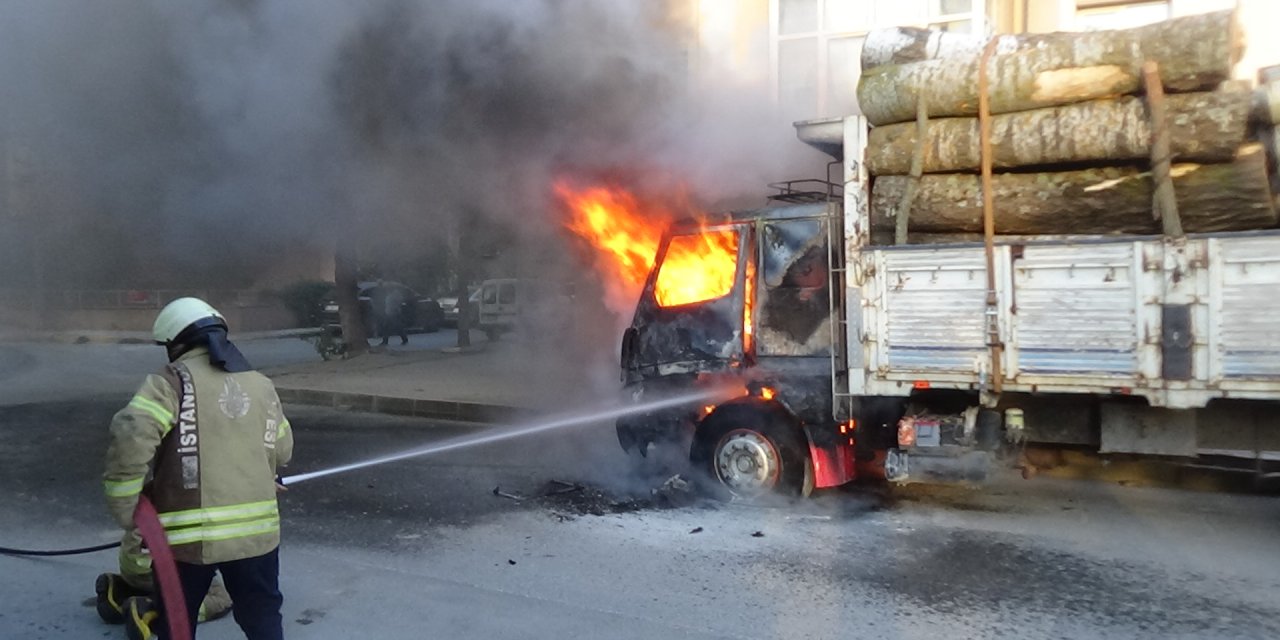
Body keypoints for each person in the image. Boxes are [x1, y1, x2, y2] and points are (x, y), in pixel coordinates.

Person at [103, 297, 293, 640]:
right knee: (263, 618)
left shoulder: (170, 381)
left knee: (177, 623)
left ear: (176, 342)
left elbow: (131, 433)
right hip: (256, 537)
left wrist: (128, 510)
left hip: (187, 539)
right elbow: (282, 450)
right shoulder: (261, 385)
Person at [368, 280, 409, 346]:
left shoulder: (395, 294)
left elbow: (399, 302)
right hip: (389, 313)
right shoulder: (389, 294)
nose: (387, 289)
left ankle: (389, 341)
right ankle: (400, 339)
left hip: (394, 313)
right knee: (390, 327)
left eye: (388, 288)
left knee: (393, 327)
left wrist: (396, 308)